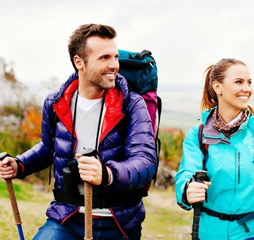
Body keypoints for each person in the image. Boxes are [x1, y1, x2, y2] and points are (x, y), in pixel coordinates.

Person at [0, 24, 157, 240]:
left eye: (115, 57)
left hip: (119, 222)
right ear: (79, 62)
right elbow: (49, 148)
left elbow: (145, 160)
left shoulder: (131, 104)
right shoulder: (56, 102)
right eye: (104, 58)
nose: (114, 65)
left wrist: (107, 173)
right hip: (67, 218)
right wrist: (20, 164)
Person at [175, 58, 254, 240]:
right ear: (218, 87)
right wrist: (187, 191)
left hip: (253, 234)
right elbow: (185, 176)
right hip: (209, 234)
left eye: (249, 82)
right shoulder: (198, 135)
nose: (247, 89)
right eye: (239, 82)